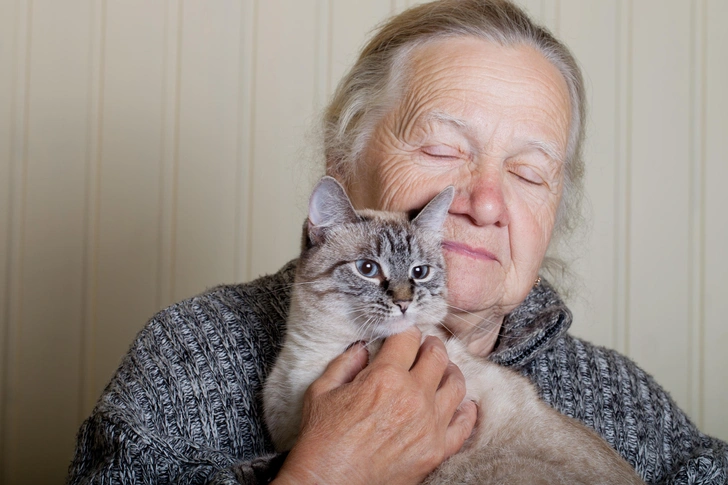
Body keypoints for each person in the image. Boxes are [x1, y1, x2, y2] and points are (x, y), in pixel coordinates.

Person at [67, 1, 728, 484]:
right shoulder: (192, 355)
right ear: (343, 167)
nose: (487, 201)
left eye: (529, 172)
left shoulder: (627, 400)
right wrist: (324, 473)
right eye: (443, 148)